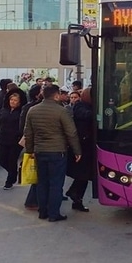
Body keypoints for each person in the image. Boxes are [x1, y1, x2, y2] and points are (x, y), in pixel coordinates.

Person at [24, 84, 82, 222]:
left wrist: (30, 150)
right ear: (56, 95)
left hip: (39, 151)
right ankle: (54, 213)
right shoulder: (61, 111)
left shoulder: (32, 110)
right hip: (57, 152)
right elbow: (71, 133)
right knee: (56, 183)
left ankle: (42, 212)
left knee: (42, 182)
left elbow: (28, 133)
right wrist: (77, 151)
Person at [0, 88, 26, 190]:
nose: (12, 102)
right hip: (3, 139)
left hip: (16, 141)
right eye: (11, 100)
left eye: (15, 100)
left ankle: (9, 181)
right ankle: (13, 172)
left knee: (12, 161)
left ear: (19, 102)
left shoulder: (22, 113)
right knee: (2, 160)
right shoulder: (3, 111)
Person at [65, 87, 94, 212]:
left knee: (84, 175)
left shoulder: (87, 106)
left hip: (86, 146)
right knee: (83, 174)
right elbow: (87, 116)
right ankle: (75, 195)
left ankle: (76, 197)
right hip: (81, 147)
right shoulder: (80, 106)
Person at [20, 84, 42, 210]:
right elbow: (24, 128)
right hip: (37, 145)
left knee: (38, 174)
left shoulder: (29, 107)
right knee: (39, 174)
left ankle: (33, 199)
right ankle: (33, 200)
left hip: (34, 145)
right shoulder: (30, 108)